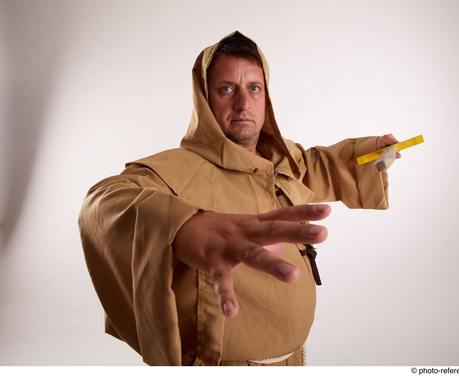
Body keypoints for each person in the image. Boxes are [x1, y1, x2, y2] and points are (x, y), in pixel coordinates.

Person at [78, 31, 399, 366]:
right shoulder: (176, 171)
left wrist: (369, 154)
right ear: (205, 99)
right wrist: (183, 226)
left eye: (254, 88)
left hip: (294, 361)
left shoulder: (278, 160)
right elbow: (101, 202)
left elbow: (316, 167)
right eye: (227, 89)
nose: (243, 103)